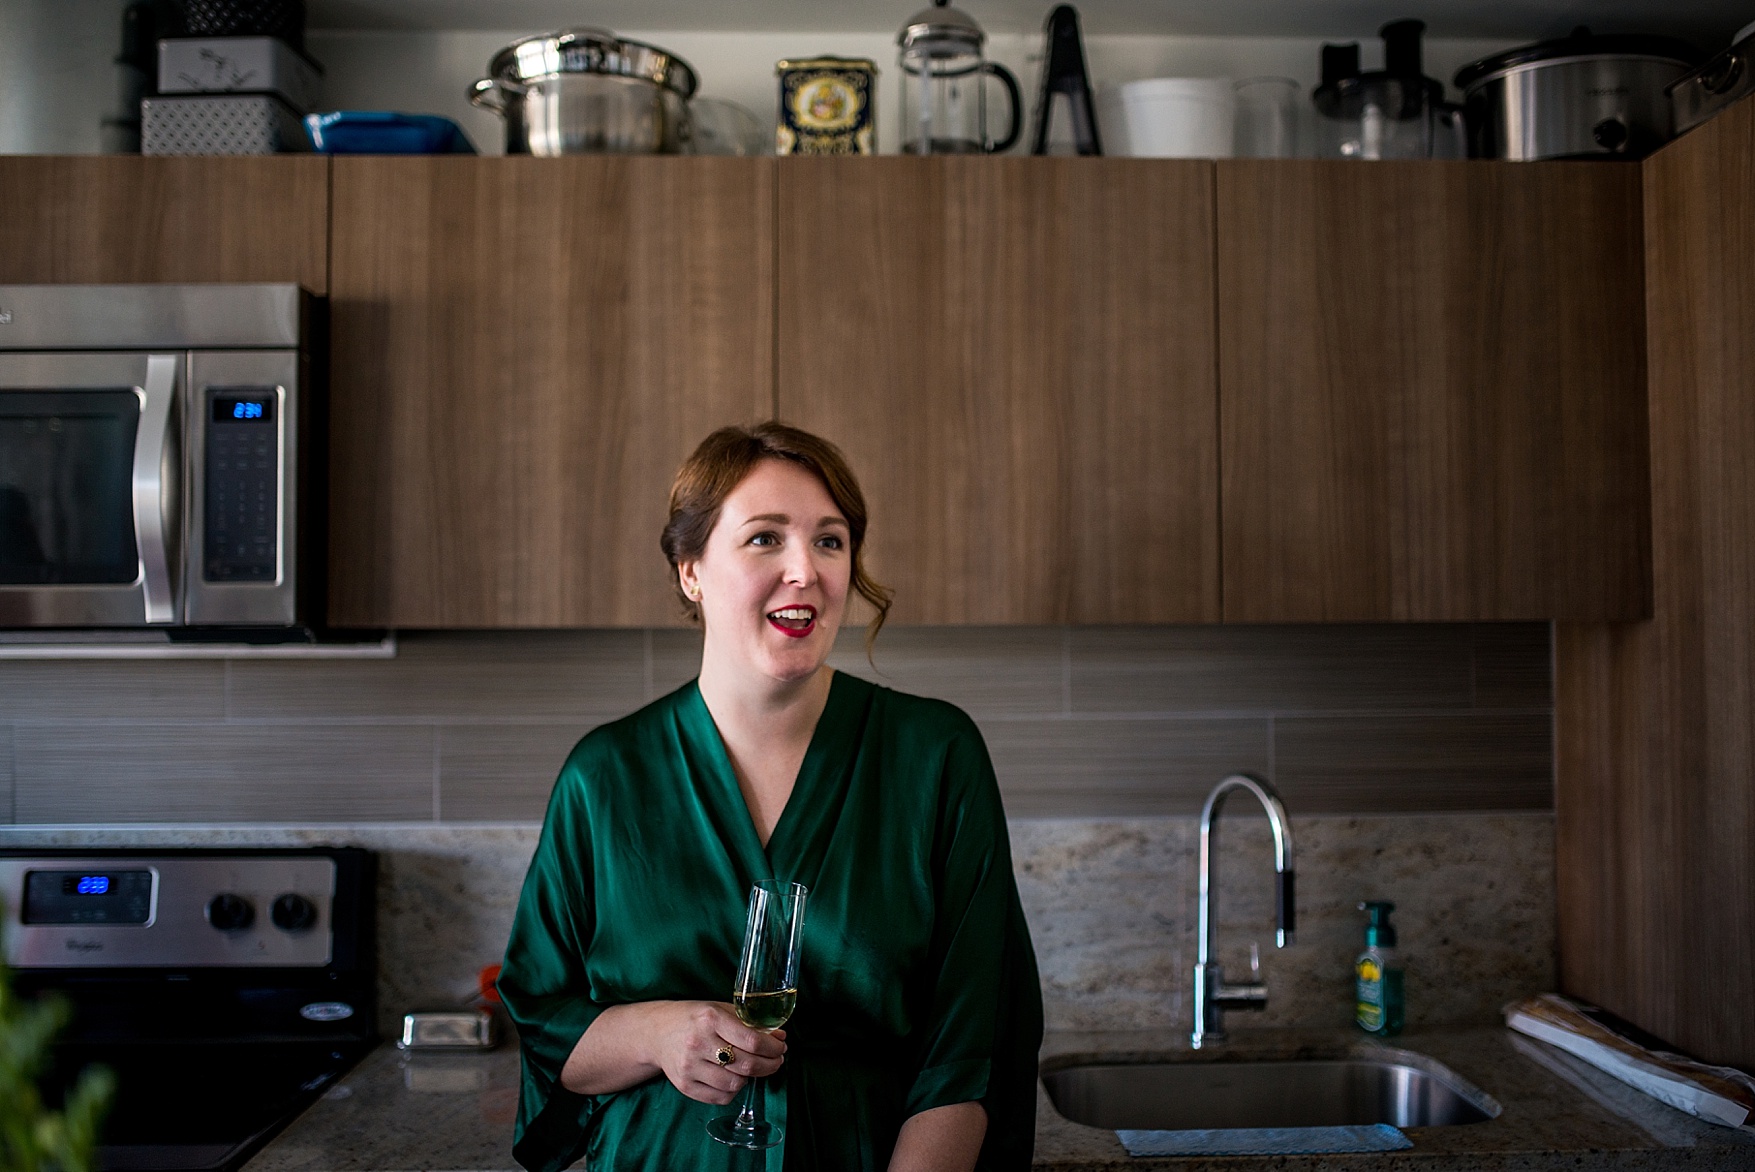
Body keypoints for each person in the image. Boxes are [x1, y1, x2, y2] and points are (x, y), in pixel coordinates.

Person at [498, 422, 1043, 1172]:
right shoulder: (605, 775)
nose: (806, 570)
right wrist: (657, 1034)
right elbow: (543, 1021)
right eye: (764, 539)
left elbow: (972, 1044)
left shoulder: (934, 756)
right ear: (690, 568)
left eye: (829, 541)